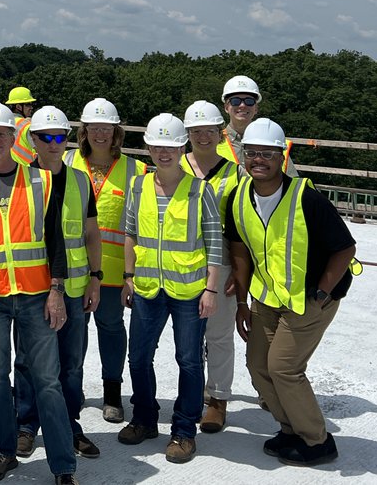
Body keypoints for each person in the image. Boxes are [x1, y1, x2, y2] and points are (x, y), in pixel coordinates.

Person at [0, 103, 81, 485]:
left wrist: (56, 290)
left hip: (36, 295)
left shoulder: (41, 182)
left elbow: (55, 241)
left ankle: (63, 467)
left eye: (2, 134)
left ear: (14, 138)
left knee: (47, 381)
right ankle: (3, 452)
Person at [227, 118, 356, 467]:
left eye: (267, 154)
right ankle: (290, 429)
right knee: (258, 366)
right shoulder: (239, 198)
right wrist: (241, 301)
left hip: (310, 299)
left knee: (284, 368)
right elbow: (240, 253)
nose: (258, 160)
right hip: (266, 298)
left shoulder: (306, 198)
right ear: (243, 155)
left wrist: (322, 292)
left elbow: (345, 248)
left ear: (281, 157)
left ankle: (317, 441)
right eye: (252, 152)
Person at [118, 113, 224, 464]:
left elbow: (214, 242)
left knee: (189, 360)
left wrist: (211, 290)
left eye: (171, 147)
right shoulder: (138, 186)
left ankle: (183, 431)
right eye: (157, 147)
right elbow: (130, 234)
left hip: (189, 291)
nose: (163, 153)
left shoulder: (200, 190)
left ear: (182, 149)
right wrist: (128, 277)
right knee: (138, 357)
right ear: (148, 148)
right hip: (148, 288)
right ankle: (145, 419)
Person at [16, 106, 102, 464]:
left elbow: (91, 233)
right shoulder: (20, 181)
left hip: (75, 289)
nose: (54, 143)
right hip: (33, 287)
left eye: (60, 137)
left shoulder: (80, 180)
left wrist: (96, 278)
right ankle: (26, 425)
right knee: (27, 361)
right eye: (46, 137)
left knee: (71, 363)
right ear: (33, 140)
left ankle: (69, 425)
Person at [64, 98, 146, 423]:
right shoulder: (67, 161)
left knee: (111, 327)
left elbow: (140, 225)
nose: (100, 134)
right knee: (75, 330)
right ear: (84, 131)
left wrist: (131, 274)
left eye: (106, 128)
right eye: (94, 128)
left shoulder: (135, 170)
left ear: (116, 133)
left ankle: (112, 392)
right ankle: (73, 388)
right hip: (73, 266)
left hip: (113, 271)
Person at [181, 100, 244, 435]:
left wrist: (242, 271)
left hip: (221, 265)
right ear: (187, 133)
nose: (203, 136)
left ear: (220, 133)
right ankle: (192, 395)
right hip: (180, 265)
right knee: (187, 338)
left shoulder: (236, 173)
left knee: (218, 335)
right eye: (196, 131)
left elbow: (244, 226)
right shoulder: (174, 165)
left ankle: (218, 399)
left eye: (209, 130)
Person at [220, 75, 297, 174]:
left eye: (249, 101)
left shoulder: (275, 142)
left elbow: (293, 181)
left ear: (256, 108)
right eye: (235, 101)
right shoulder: (213, 142)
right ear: (226, 107)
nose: (242, 105)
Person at [6, 86, 37, 165]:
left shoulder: (3, 123)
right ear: (18, 107)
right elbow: (41, 150)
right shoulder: (27, 125)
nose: (31, 107)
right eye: (28, 104)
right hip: (27, 170)